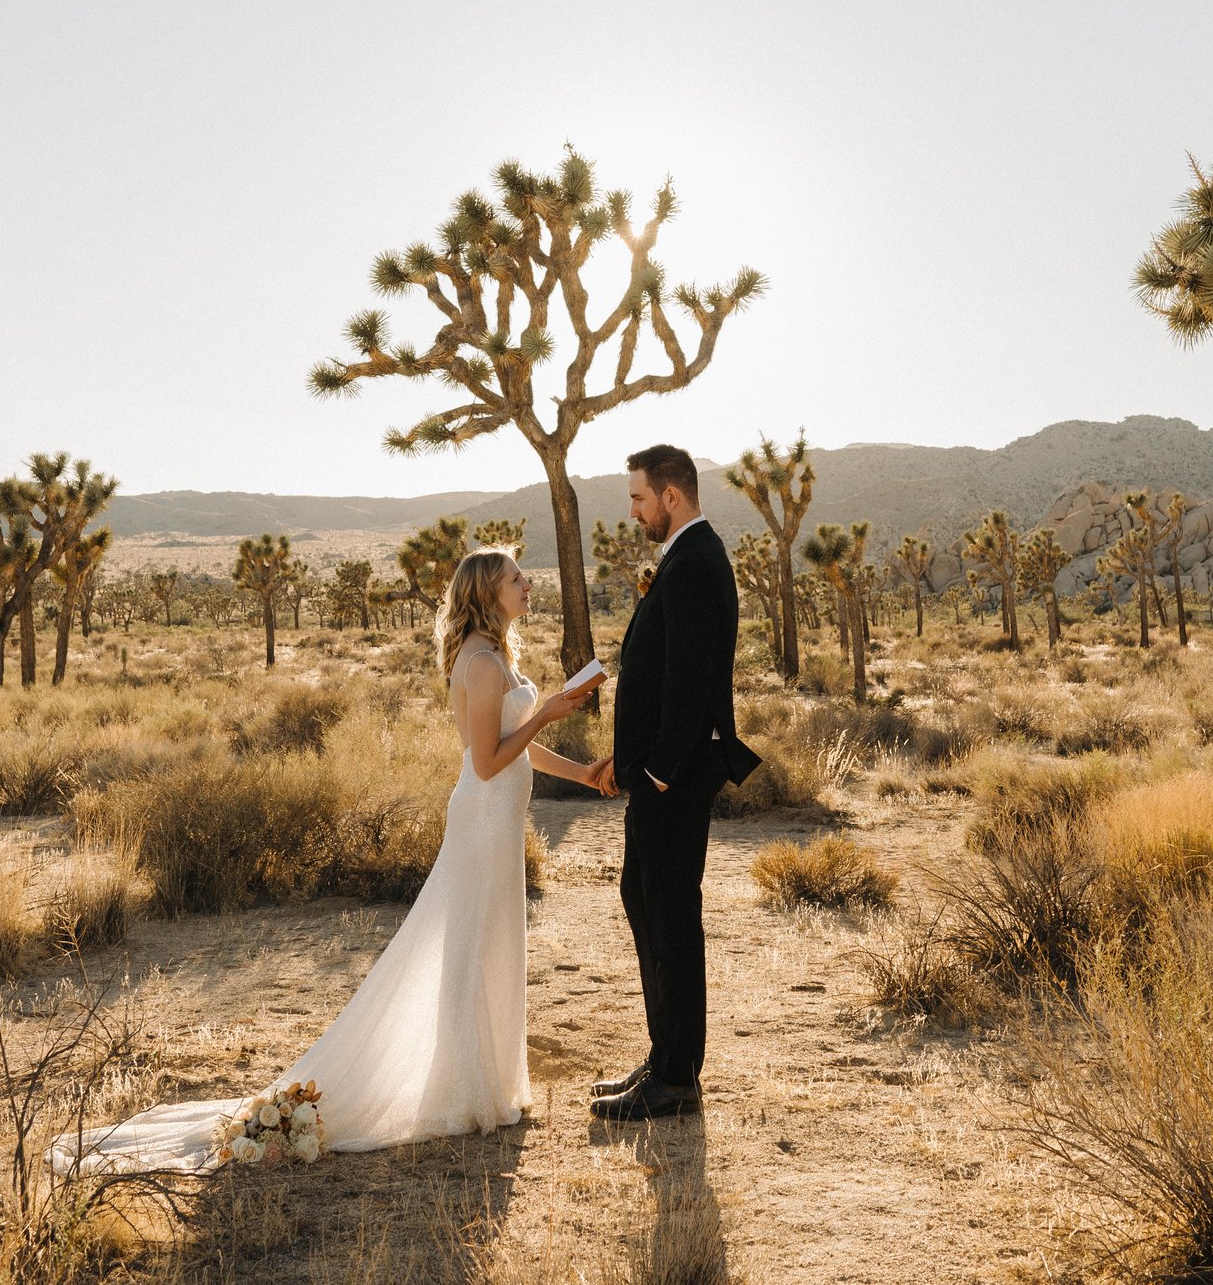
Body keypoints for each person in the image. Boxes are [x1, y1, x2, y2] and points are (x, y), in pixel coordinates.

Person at [51, 548, 606, 1175]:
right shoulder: (479, 664)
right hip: (481, 822)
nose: (527, 584)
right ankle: (469, 1091)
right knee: (471, 947)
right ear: (486, 592)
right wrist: (553, 712)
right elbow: (486, 762)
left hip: (500, 825)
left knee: (496, 945)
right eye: (516, 577)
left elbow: (519, 748)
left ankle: (490, 1086)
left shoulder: (498, 658)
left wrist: (585, 771)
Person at [583, 443, 760, 1122]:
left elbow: (686, 682)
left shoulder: (692, 564)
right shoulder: (687, 557)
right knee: (648, 900)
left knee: (669, 914)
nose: (633, 512)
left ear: (672, 497)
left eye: (637, 499)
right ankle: (666, 1059)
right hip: (663, 776)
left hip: (675, 780)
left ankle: (678, 1077)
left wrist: (654, 773)